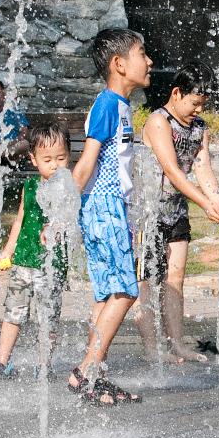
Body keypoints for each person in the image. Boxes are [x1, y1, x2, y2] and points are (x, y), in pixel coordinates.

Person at [66, 28, 151, 405]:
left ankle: (95, 375)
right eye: (141, 53)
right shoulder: (106, 105)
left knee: (105, 296)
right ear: (119, 64)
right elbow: (86, 163)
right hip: (104, 205)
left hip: (109, 207)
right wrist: (60, 211)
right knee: (125, 291)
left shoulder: (118, 105)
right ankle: (86, 370)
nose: (149, 61)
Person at [136, 62, 219, 363]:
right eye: (194, 104)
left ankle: (177, 344)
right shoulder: (159, 122)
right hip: (148, 213)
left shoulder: (199, 128)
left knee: (175, 277)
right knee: (148, 281)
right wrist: (205, 204)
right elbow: (173, 171)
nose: (198, 110)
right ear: (177, 93)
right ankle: (152, 351)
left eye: (202, 105)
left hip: (176, 211)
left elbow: (202, 167)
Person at [0, 123, 72, 379]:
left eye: (61, 158)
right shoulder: (30, 186)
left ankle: (44, 366)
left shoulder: (68, 188)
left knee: (47, 318)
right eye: (47, 159)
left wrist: (55, 226)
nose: (55, 165)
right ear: (33, 159)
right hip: (23, 262)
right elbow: (19, 220)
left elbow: (69, 220)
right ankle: (2, 363)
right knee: (12, 314)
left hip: (51, 266)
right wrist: (7, 250)